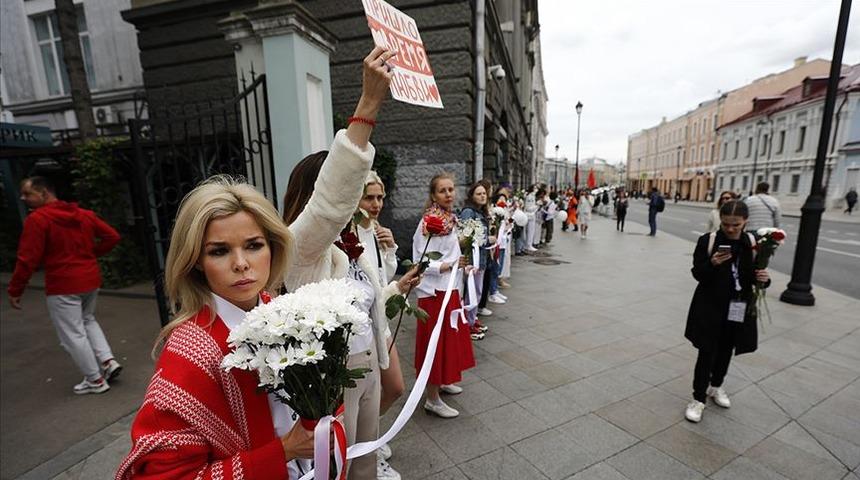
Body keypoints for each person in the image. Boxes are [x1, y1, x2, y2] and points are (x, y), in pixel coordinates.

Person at [116, 45, 396, 480]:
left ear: (274, 248)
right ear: (195, 263)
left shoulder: (285, 313)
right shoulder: (188, 353)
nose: (242, 263)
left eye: (254, 245)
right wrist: (280, 453)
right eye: (219, 251)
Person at [8, 176, 122, 394]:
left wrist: (15, 290)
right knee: (87, 320)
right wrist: (90, 255)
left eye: (27, 193)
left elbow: (26, 259)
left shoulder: (38, 220)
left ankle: (95, 380)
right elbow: (112, 236)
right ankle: (108, 362)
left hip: (62, 284)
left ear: (43, 193)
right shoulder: (82, 214)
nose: (23, 198)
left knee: (72, 333)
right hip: (89, 278)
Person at [683, 200, 770, 423]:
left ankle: (716, 386)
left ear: (745, 222)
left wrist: (764, 279)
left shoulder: (752, 243)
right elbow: (697, 273)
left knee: (726, 349)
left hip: (737, 305)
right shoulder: (708, 241)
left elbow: (753, 275)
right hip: (710, 306)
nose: (730, 229)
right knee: (706, 351)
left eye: (736, 225)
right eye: (725, 224)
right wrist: (711, 263)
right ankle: (698, 398)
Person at [353, 171, 405, 479]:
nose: (376, 204)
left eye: (380, 197)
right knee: (371, 398)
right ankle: (366, 447)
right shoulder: (349, 234)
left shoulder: (375, 231)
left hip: (380, 323)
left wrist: (390, 248)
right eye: (369, 197)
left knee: (395, 388)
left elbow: (384, 275)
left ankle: (371, 437)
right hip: (363, 330)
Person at [413, 173, 476, 419]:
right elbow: (421, 259)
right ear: (433, 195)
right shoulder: (429, 223)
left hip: (449, 289)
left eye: (451, 189)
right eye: (442, 191)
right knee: (434, 344)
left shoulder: (450, 219)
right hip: (434, 292)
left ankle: (443, 381)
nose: (449, 194)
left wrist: (462, 265)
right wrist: (449, 265)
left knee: (449, 339)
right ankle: (432, 398)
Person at [458, 181, 492, 340]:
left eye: (484, 193)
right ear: (472, 196)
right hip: (472, 259)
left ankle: (471, 320)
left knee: (476, 291)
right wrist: (487, 240)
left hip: (481, 259)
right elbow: (465, 236)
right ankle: (468, 325)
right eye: (479, 193)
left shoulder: (480, 211)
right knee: (473, 291)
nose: (482, 196)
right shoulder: (468, 212)